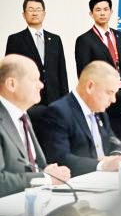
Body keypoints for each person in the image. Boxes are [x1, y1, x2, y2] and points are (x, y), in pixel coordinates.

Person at [36, 61, 121, 177]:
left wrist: (116, 157)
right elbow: (61, 158)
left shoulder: (100, 111)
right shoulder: (58, 112)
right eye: (109, 92)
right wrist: (102, 165)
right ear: (90, 86)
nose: (113, 100)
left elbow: (114, 142)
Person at [0, 55, 71, 197]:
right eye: (34, 80)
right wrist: (45, 178)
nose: (41, 85)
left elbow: (33, 166)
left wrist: (49, 172)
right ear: (11, 84)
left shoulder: (23, 115)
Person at [75, 0, 121, 141]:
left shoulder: (119, 36)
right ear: (91, 14)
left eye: (105, 9)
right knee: (108, 136)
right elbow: (84, 72)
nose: (102, 13)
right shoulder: (84, 40)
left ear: (111, 12)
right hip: (102, 96)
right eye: (98, 10)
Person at [5, 0, 68, 109]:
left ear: (44, 14)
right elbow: (10, 72)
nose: (34, 13)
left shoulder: (55, 39)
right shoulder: (15, 39)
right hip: (27, 99)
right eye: (30, 9)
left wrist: (65, 100)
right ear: (24, 14)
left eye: (38, 9)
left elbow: (62, 71)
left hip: (54, 99)